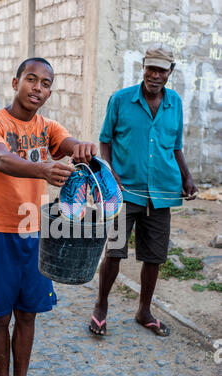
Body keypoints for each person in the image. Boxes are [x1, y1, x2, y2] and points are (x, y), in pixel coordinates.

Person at [0, 57, 97, 376]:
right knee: (0, 316)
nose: (37, 88)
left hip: (34, 234)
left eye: (45, 83)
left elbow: (67, 143)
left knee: (27, 314)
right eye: (31, 79)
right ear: (15, 82)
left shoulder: (47, 128)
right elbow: (2, 160)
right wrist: (42, 169)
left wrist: (82, 148)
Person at [89, 43, 198, 337]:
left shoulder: (174, 103)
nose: (155, 75)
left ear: (170, 72)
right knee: (114, 251)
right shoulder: (121, 100)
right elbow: (105, 140)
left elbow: (175, 147)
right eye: (150, 68)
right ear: (143, 68)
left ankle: (144, 310)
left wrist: (187, 178)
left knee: (154, 257)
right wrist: (110, 174)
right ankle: (101, 307)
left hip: (162, 192)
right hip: (125, 192)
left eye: (161, 70)